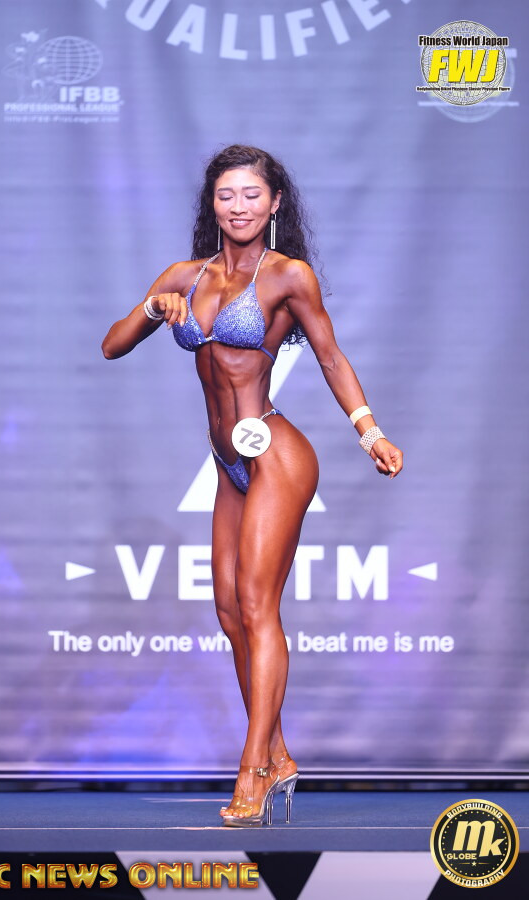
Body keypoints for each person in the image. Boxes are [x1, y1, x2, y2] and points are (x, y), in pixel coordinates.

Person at [101, 144, 403, 827]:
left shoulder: (288, 276)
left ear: (274, 205)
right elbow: (112, 345)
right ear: (212, 204)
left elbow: (331, 356)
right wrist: (154, 307)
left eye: (251, 195)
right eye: (226, 195)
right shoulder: (185, 276)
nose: (238, 207)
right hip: (227, 460)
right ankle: (281, 756)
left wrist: (370, 433)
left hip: (276, 454)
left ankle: (253, 769)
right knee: (230, 613)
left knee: (259, 607)